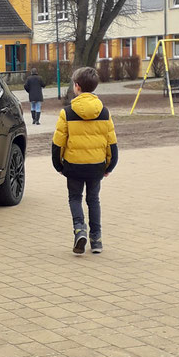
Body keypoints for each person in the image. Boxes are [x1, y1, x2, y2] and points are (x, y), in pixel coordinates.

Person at [52, 67, 118, 255]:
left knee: (75, 197)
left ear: (77, 86)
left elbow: (58, 142)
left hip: (73, 165)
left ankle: (79, 229)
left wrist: (58, 164)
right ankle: (96, 240)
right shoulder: (104, 112)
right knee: (93, 200)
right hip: (96, 165)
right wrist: (110, 165)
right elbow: (111, 142)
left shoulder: (67, 112)